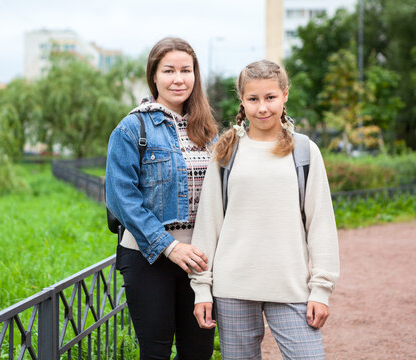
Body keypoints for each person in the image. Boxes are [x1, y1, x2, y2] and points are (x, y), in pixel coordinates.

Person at [189, 60, 340, 360]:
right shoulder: (226, 152)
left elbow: (320, 223)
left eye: (270, 97)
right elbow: (208, 224)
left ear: (285, 95)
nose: (262, 108)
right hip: (233, 288)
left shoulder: (304, 151)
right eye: (253, 99)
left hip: (291, 285)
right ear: (242, 102)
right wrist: (202, 288)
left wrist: (321, 289)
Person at [105, 37, 218, 360]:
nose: (178, 78)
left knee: (198, 352)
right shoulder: (131, 128)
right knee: (155, 353)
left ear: (196, 75)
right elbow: (121, 198)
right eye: (168, 70)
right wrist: (170, 246)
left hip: (200, 260)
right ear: (153, 76)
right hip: (149, 257)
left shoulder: (209, 131)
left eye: (186, 70)